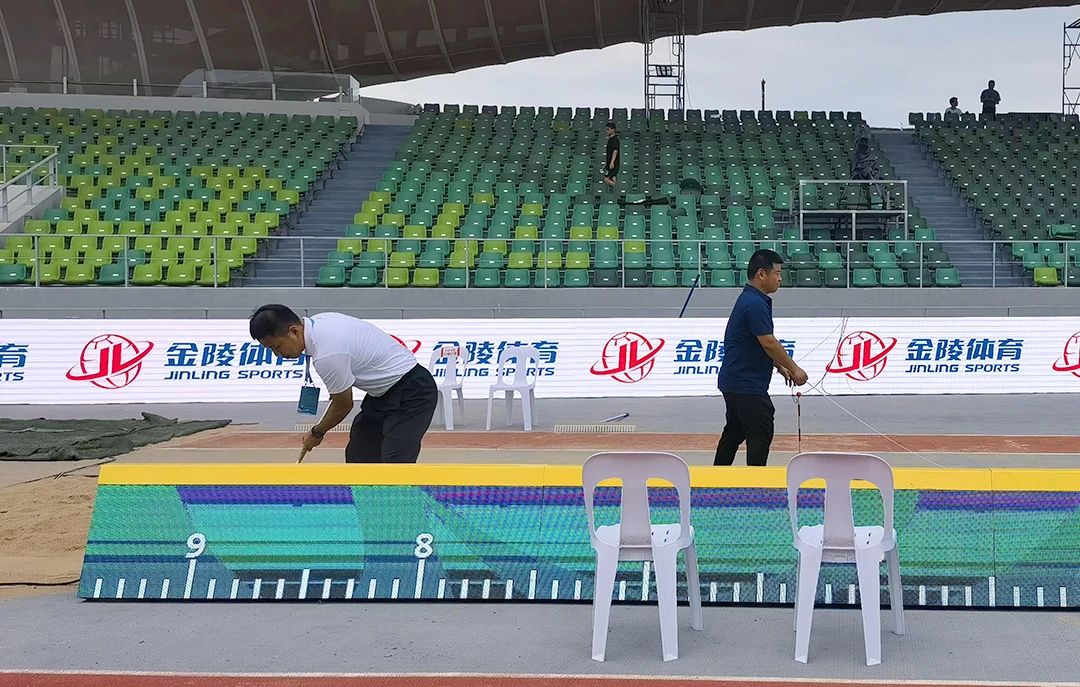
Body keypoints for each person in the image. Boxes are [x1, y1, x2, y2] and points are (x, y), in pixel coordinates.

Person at [249, 305, 438, 463]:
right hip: (381, 394)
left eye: (277, 347)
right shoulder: (320, 322)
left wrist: (317, 432)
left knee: (395, 461)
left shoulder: (326, 353)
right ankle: (369, 499)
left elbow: (343, 405)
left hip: (413, 391)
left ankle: (404, 498)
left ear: (294, 331)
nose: (278, 355)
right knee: (360, 454)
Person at [714, 250, 808, 467]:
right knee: (760, 430)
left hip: (734, 381)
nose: (780, 278)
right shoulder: (754, 303)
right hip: (746, 384)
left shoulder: (750, 299)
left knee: (734, 432)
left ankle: (715, 477)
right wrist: (794, 368)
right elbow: (768, 342)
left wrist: (778, 365)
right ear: (761, 274)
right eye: (777, 273)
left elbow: (753, 342)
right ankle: (755, 480)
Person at [603, 121, 620, 190]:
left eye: (608, 129)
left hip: (613, 163)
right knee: (612, 177)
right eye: (606, 129)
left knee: (606, 178)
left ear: (613, 129)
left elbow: (615, 151)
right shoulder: (610, 139)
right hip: (610, 162)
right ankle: (614, 189)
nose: (606, 131)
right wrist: (606, 163)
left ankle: (617, 187)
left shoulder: (615, 140)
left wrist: (612, 161)